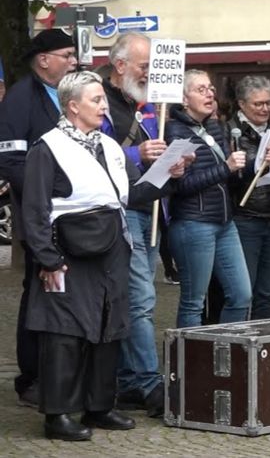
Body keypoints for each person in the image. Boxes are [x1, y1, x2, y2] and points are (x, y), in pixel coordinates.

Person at [20, 71, 186, 440]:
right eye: (95, 100)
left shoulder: (109, 146)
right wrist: (48, 259)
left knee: (108, 327)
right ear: (72, 105)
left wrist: (169, 177)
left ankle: (99, 406)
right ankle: (58, 415)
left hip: (111, 248)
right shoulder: (46, 148)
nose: (103, 105)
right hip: (68, 251)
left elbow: (131, 194)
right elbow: (32, 211)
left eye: (103, 99)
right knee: (63, 333)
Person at [0, 28, 78, 407]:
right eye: (66, 54)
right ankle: (31, 376)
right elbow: (10, 160)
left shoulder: (72, 95)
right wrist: (48, 189)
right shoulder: (20, 98)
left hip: (78, 215)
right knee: (38, 294)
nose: (73, 61)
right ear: (43, 59)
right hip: (41, 215)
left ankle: (67, 372)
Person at [97, 32, 170, 417]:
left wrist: (172, 164)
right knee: (141, 301)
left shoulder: (146, 102)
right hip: (123, 211)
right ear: (120, 65)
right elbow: (93, 150)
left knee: (135, 299)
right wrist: (135, 152)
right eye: (144, 65)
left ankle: (128, 382)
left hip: (150, 207)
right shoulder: (98, 100)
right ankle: (150, 382)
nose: (149, 72)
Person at [165, 70, 256, 328]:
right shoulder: (174, 130)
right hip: (194, 223)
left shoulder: (213, 126)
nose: (210, 94)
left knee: (241, 295)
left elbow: (230, 177)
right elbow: (181, 185)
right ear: (184, 99)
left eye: (211, 89)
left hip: (224, 222)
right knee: (194, 301)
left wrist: (257, 165)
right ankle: (189, 362)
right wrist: (225, 167)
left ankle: (224, 354)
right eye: (201, 89)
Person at [226, 75, 270, 320]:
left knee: (267, 290)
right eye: (258, 104)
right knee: (245, 290)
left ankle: (263, 342)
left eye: (268, 103)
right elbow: (232, 178)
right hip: (247, 218)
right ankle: (243, 344)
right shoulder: (231, 133)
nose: (265, 108)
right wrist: (259, 165)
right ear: (242, 104)